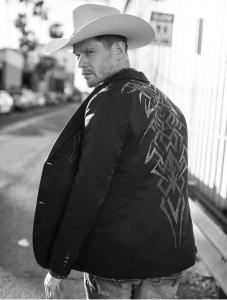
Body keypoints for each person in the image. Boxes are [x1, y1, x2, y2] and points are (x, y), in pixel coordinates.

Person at [33, 3, 197, 299]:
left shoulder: (108, 100)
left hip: (114, 265)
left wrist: (60, 265)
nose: (81, 63)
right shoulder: (173, 108)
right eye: (78, 55)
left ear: (119, 50)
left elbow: (89, 188)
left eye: (90, 52)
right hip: (168, 262)